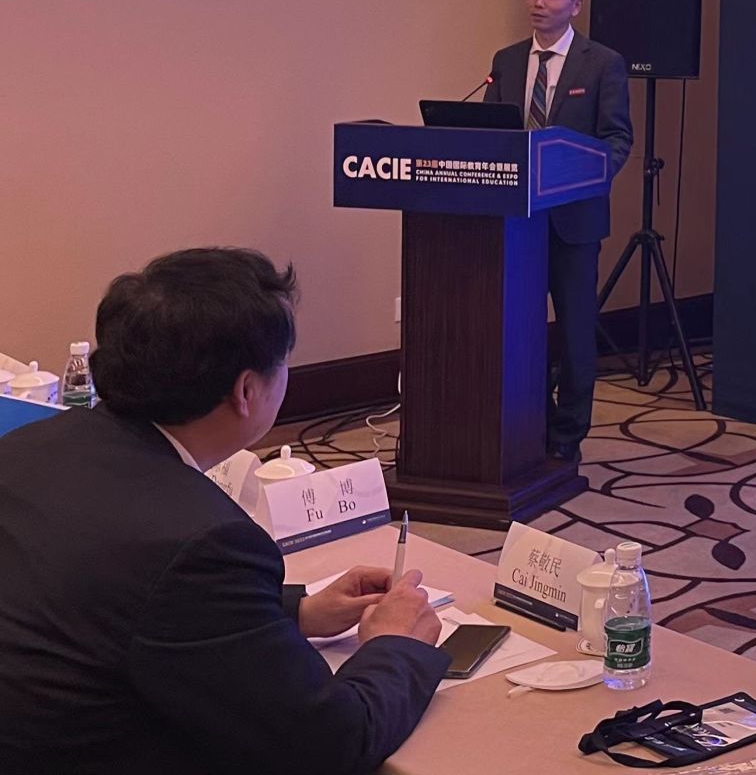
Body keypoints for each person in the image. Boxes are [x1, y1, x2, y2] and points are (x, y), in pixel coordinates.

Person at [0, 248, 449, 775]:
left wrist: (296, 612)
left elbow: (114, 596)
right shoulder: (203, 542)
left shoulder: (28, 448)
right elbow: (332, 744)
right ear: (246, 390)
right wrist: (394, 644)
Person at [485, 0, 633, 462]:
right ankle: (528, 423)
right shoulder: (507, 60)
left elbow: (617, 139)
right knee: (516, 329)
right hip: (515, 221)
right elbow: (491, 133)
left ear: (576, 5)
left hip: (573, 220)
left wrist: (581, 177)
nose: (539, 2)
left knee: (572, 333)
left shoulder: (603, 63)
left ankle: (568, 434)